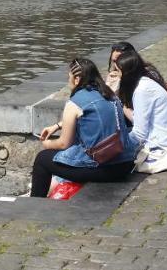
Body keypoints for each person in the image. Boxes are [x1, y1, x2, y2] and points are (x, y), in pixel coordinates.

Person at [30, 59, 137, 198]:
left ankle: (34, 205)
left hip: (106, 169)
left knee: (42, 159)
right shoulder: (109, 94)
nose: (68, 81)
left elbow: (63, 143)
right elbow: (93, 116)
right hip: (125, 164)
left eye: (69, 77)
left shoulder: (75, 102)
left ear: (77, 79)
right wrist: (56, 126)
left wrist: (47, 144)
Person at [115, 51, 167, 169]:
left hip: (157, 144)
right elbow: (140, 120)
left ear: (126, 73)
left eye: (118, 71)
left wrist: (119, 144)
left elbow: (140, 133)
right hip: (164, 138)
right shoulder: (145, 82)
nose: (117, 75)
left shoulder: (142, 90)